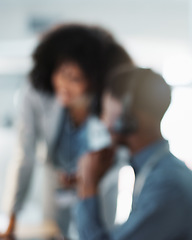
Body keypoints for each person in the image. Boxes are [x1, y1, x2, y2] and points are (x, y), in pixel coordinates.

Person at [1, 23, 133, 238]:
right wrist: (12, 218)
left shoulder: (107, 102)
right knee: (53, 235)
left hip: (100, 188)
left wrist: (89, 180)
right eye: (61, 74)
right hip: (55, 185)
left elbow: (120, 155)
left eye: (75, 78)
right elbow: (24, 156)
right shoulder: (36, 94)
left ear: (92, 81)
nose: (63, 85)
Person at [75, 67, 192, 240]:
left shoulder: (167, 182)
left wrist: (88, 188)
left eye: (106, 111)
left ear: (129, 116)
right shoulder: (153, 169)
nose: (103, 121)